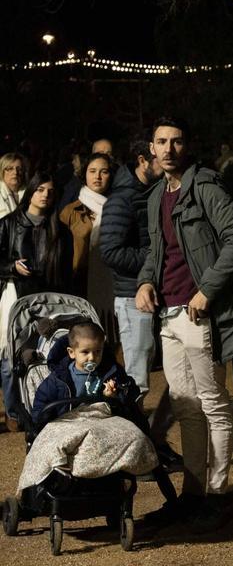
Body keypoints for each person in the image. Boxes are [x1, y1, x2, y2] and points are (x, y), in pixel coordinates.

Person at [135, 117, 233, 531]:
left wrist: (207, 289)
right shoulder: (157, 195)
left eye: (176, 141)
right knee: (187, 407)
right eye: (161, 142)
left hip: (200, 312)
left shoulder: (205, 185)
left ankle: (217, 494)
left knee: (214, 404)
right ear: (151, 149)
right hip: (169, 314)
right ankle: (192, 495)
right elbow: (156, 252)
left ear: (186, 146)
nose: (168, 149)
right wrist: (144, 281)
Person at [0, 172, 73, 431]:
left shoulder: (61, 231)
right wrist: (12, 267)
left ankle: (44, 408)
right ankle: (13, 413)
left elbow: (66, 273)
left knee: (46, 354)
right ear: (31, 191)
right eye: (40, 189)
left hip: (49, 300)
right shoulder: (8, 224)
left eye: (50, 191)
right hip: (15, 294)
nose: (45, 195)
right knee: (10, 357)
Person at [99, 140, 164, 400]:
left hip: (153, 293)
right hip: (131, 296)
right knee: (137, 379)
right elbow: (110, 252)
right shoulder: (121, 199)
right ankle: (132, 424)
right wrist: (154, 258)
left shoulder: (151, 191)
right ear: (142, 160)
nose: (166, 162)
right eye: (158, 159)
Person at [59, 152, 116, 332]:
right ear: (84, 174)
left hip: (112, 285)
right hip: (78, 284)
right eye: (92, 171)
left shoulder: (119, 208)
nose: (97, 176)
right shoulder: (70, 211)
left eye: (103, 171)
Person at [0, 152, 28, 217]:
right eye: (10, 169)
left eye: (19, 169)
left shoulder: (31, 193)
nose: (15, 172)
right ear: (2, 171)